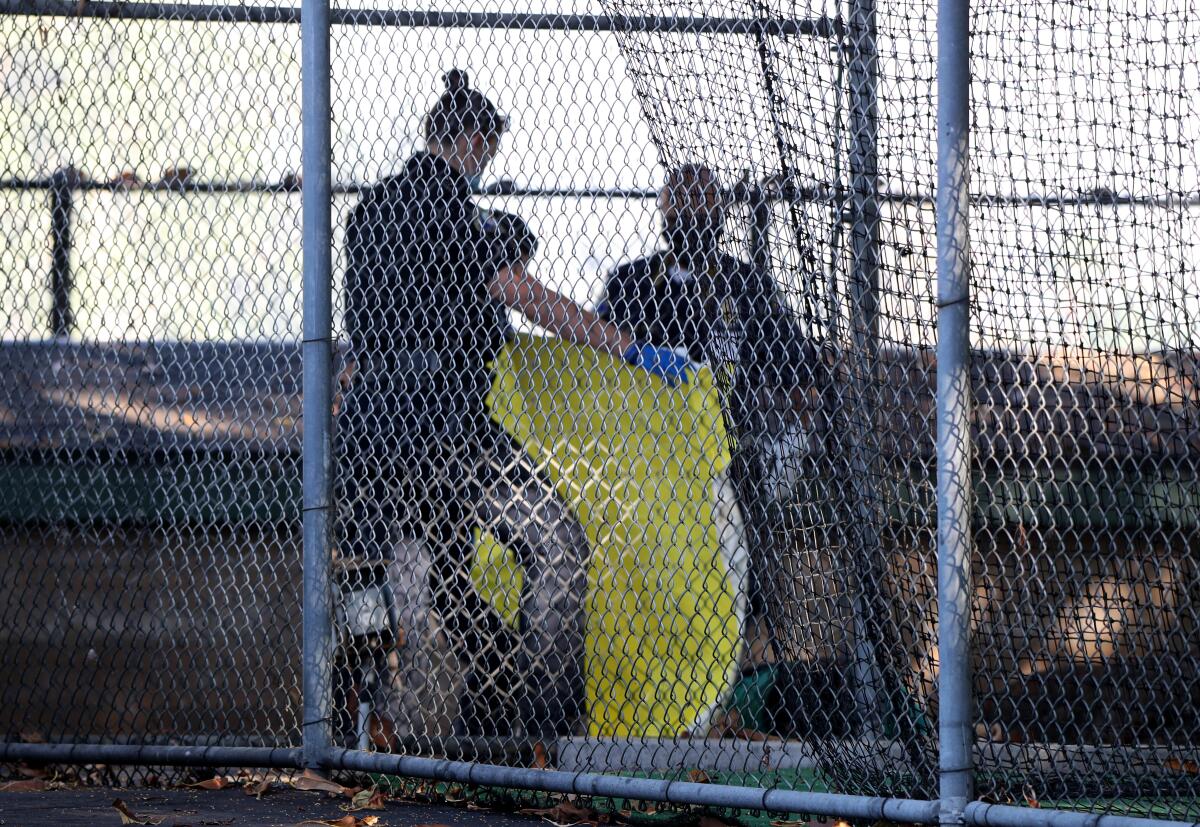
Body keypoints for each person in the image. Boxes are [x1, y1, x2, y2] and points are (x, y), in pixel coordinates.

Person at [336, 69, 691, 743]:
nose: (489, 161)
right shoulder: (450, 212)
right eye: (489, 148)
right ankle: (544, 730)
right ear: (473, 140)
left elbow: (371, 325)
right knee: (557, 544)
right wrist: (631, 348)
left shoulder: (370, 212)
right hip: (443, 431)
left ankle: (477, 705)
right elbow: (525, 295)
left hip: (372, 428)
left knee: (440, 580)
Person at [598, 164, 816, 619]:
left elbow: (798, 370)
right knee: (652, 595)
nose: (690, 210)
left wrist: (791, 434)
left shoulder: (744, 284)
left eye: (703, 199)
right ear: (663, 210)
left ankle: (743, 683)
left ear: (719, 211)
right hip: (647, 462)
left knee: (741, 595)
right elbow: (596, 360)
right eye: (679, 199)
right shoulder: (631, 284)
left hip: (727, 461)